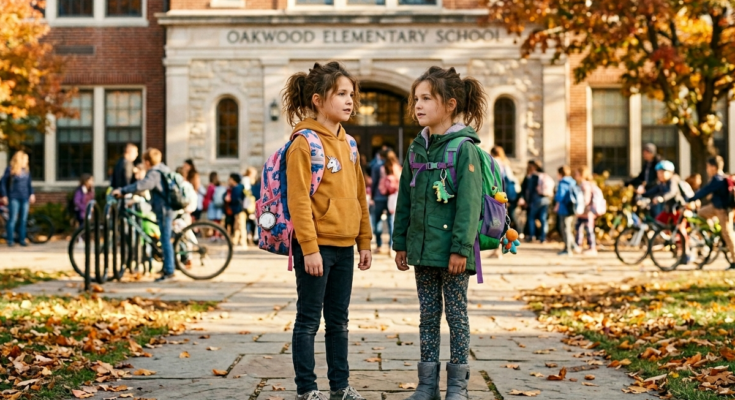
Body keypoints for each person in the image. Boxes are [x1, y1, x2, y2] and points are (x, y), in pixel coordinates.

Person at [393, 66, 486, 400]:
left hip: (453, 254)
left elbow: (470, 205)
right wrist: (400, 242)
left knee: (457, 316)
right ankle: (427, 384)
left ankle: (458, 385)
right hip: (421, 250)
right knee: (427, 317)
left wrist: (461, 248)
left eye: (426, 98)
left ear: (449, 104)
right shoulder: (417, 148)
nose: (417, 105)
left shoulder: (465, 149)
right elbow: (405, 198)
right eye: (415, 99)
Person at [282, 62, 372, 400]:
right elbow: (299, 202)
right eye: (342, 94)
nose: (350, 101)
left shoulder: (349, 144)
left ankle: (341, 386)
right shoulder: (303, 143)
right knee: (308, 320)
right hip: (315, 248)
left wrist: (364, 241)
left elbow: (359, 195)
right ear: (319, 99)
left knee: (339, 322)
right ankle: (307, 389)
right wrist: (309, 248)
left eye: (352, 94)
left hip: (345, 247)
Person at [111, 148, 176, 282]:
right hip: (164, 208)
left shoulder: (154, 173)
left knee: (165, 239)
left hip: (164, 209)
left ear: (147, 162)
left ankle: (169, 270)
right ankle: (167, 267)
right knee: (164, 238)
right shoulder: (162, 169)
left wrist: (123, 190)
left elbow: (143, 185)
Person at [687, 156, 735, 270]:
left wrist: (690, 199)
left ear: (713, 167)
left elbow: (705, 191)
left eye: (708, 167)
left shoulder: (718, 179)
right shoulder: (716, 178)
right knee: (700, 213)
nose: (707, 169)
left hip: (723, 210)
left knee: (727, 234)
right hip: (714, 207)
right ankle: (712, 233)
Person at [643, 160, 690, 263]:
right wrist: (642, 195)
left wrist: (662, 198)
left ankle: (686, 253)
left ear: (670, 172)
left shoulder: (673, 180)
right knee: (657, 222)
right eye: (658, 173)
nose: (659, 175)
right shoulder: (662, 183)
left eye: (662, 172)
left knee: (680, 231)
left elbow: (672, 192)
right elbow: (653, 191)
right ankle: (673, 245)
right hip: (669, 210)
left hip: (678, 209)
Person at [0, 151, 36, 247]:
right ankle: (10, 240)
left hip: (25, 197)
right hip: (13, 197)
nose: (27, 162)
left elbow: (29, 184)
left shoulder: (26, 171)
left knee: (23, 220)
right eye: (25, 159)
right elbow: (2, 183)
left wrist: (32, 194)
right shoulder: (10, 170)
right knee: (13, 219)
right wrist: (4, 195)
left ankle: (22, 239)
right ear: (20, 160)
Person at [379, 149, 402, 252]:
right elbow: (400, 181)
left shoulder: (383, 168)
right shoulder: (396, 167)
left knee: (390, 220)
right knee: (393, 220)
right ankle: (393, 245)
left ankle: (390, 245)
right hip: (395, 195)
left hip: (388, 195)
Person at [573, 166, 597, 255]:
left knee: (588, 229)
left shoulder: (585, 185)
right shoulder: (582, 184)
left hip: (587, 211)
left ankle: (592, 247)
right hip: (583, 212)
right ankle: (578, 245)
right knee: (579, 228)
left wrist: (580, 207)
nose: (575, 175)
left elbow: (586, 199)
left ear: (581, 175)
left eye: (577, 173)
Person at [554, 165, 577, 256]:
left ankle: (568, 249)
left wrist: (556, 200)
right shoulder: (572, 182)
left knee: (565, 229)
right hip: (572, 208)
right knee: (569, 229)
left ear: (560, 174)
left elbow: (560, 196)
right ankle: (573, 245)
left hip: (564, 209)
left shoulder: (563, 183)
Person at [371, 150, 389, 252]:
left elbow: (374, 182)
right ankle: (391, 246)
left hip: (379, 196)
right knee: (391, 222)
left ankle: (379, 245)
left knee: (377, 221)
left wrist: (373, 195)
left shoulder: (376, 167)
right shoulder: (393, 166)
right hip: (390, 197)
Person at [226, 173, 247, 249]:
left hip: (239, 210)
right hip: (238, 210)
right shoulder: (239, 187)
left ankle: (243, 243)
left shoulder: (237, 188)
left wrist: (230, 199)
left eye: (230, 179)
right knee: (237, 226)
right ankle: (234, 241)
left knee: (241, 227)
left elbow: (236, 199)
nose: (229, 181)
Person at [204, 172, 225, 240]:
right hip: (219, 205)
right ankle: (217, 234)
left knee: (213, 222)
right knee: (218, 221)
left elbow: (208, 196)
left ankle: (214, 235)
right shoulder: (218, 186)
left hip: (212, 204)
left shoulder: (210, 186)